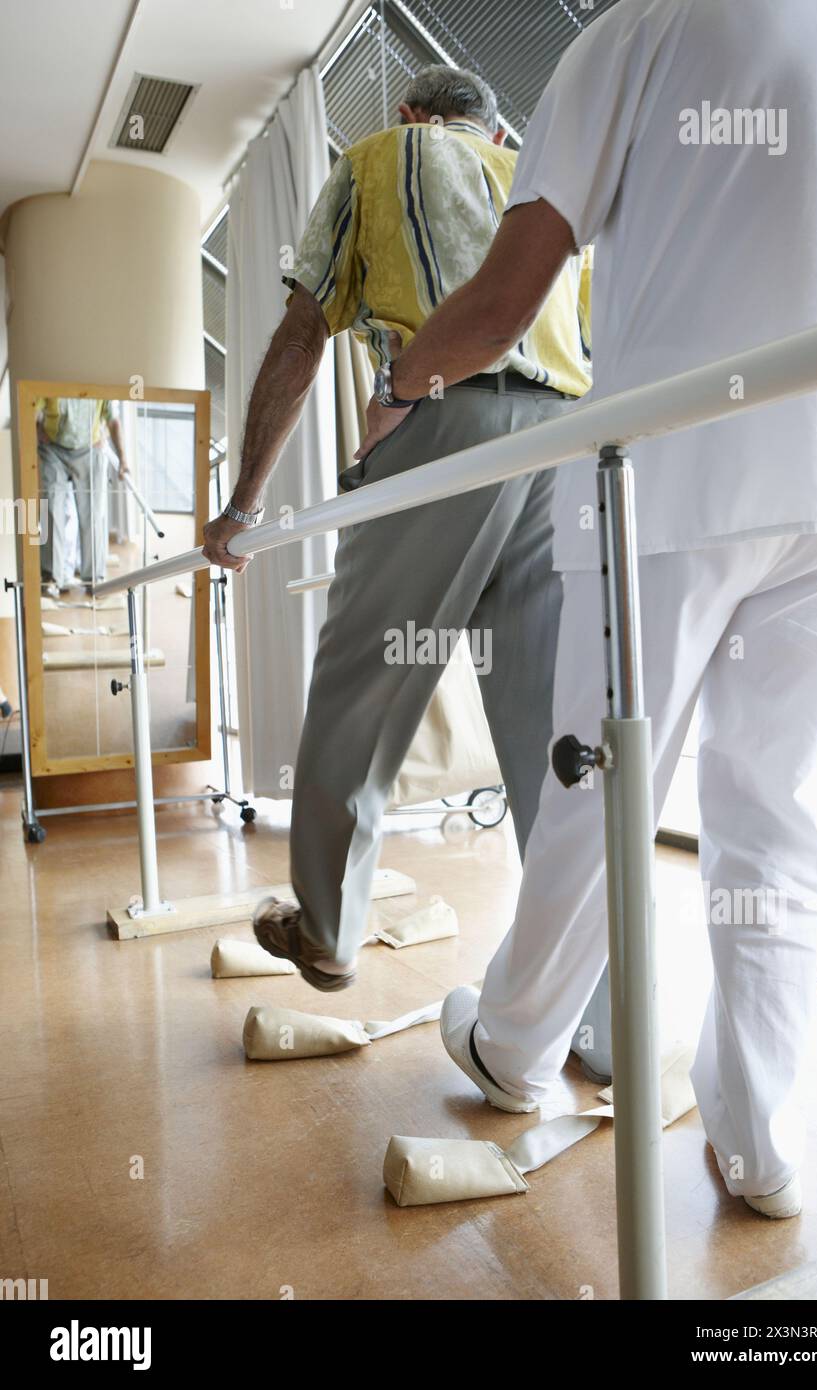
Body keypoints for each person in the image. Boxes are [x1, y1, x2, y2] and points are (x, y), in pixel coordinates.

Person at [361, 0, 817, 1217]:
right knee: (778, 809)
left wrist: (393, 391)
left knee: (600, 786)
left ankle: (517, 1046)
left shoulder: (637, 31)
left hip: (677, 473)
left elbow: (507, 290)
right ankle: (759, 1141)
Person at [202, 67, 607, 1021]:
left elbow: (304, 332)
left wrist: (242, 506)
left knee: (367, 683)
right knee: (551, 729)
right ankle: (595, 1016)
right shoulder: (536, 186)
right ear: (494, 129)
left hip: (444, 425)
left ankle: (328, 929)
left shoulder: (383, 156)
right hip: (563, 448)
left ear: (412, 115)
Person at [37, 396, 128, 590]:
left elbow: (113, 421)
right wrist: (37, 430)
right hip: (54, 448)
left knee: (93, 515)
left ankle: (93, 578)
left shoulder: (97, 383)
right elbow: (30, 408)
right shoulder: (51, 381)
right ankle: (52, 577)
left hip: (90, 448)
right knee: (51, 509)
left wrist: (123, 459)